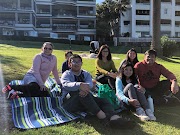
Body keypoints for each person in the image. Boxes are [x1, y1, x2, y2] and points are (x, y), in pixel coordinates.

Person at [61, 54, 134, 129]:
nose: (76, 64)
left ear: (81, 63)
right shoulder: (66, 74)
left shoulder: (85, 73)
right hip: (70, 103)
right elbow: (65, 84)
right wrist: (79, 85)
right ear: (69, 64)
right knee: (80, 93)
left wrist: (84, 87)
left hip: (85, 101)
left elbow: (90, 84)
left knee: (104, 100)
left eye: (78, 62)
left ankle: (114, 118)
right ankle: (103, 117)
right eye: (74, 62)